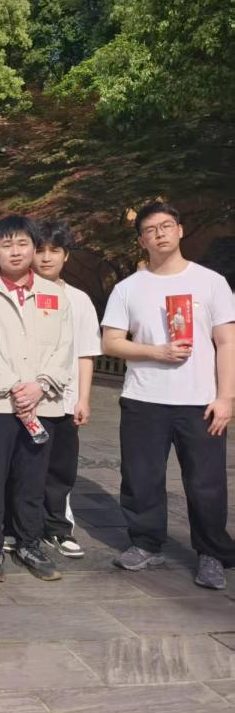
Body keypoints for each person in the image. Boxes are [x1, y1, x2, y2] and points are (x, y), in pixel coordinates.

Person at [102, 201, 235, 590]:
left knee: (206, 482)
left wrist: (226, 398)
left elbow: (227, 342)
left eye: (165, 226)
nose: (159, 234)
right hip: (144, 399)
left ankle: (212, 552)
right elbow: (111, 342)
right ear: (141, 240)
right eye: (149, 229)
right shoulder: (128, 288)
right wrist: (155, 352)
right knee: (140, 478)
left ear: (180, 230)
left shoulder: (210, 282)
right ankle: (145, 542)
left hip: (200, 401)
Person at [0, 215, 72, 583]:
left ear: (34, 248)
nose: (15, 251)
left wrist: (41, 386)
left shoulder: (56, 294)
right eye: (6, 245)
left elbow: (64, 347)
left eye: (22, 244)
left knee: (33, 478)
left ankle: (29, 542)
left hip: (42, 403)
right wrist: (14, 386)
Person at [33, 221, 101, 558]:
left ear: (66, 256)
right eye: (40, 250)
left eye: (54, 250)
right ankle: (23, 528)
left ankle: (58, 528)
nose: (46, 257)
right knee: (26, 467)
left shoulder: (79, 300)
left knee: (60, 468)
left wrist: (83, 399)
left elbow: (86, 353)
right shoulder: (19, 294)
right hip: (27, 400)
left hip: (64, 400)